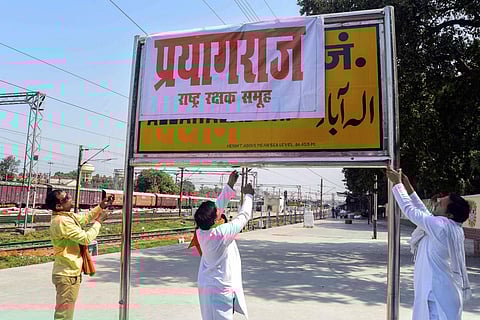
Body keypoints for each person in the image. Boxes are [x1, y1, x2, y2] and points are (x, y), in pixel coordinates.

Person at [386, 167, 472, 320]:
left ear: (449, 214)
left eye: (441, 204)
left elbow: (410, 211)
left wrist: (398, 185)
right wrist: (410, 189)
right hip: (443, 293)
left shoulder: (441, 226)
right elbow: (424, 213)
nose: (437, 203)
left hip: (435, 297)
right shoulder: (452, 227)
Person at [194, 170, 254, 320]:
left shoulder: (200, 232)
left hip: (206, 284)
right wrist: (249, 195)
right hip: (220, 287)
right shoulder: (221, 234)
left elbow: (217, 208)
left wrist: (230, 185)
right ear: (214, 220)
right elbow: (243, 217)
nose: (219, 212)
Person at [47, 189, 113, 320]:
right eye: (66, 198)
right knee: (64, 315)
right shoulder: (62, 221)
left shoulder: (67, 216)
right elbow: (86, 238)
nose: (70, 198)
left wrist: (101, 206)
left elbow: (84, 218)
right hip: (67, 274)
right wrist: (99, 222)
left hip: (69, 272)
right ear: (58, 206)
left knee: (65, 313)